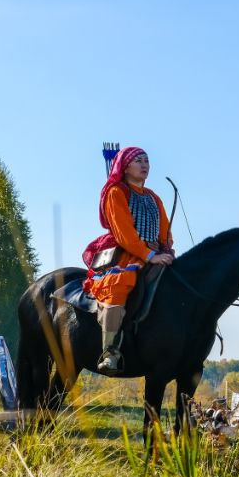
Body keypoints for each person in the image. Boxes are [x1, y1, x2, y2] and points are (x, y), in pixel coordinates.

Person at [84, 147, 174, 373]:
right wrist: (149, 255)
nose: (145, 165)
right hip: (126, 254)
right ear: (125, 166)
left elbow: (164, 231)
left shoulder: (154, 197)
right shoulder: (116, 192)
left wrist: (166, 249)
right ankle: (110, 352)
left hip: (155, 253)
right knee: (119, 285)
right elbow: (125, 234)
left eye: (147, 160)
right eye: (138, 160)